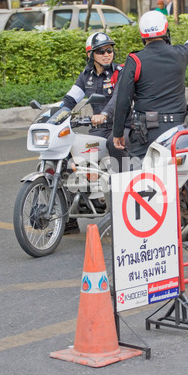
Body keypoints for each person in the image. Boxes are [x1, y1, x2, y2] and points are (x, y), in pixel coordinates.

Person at [113, 8, 188, 160]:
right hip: (178, 132)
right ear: (165, 30)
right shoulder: (180, 54)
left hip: (146, 133)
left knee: (141, 174)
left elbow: (123, 100)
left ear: (143, 35)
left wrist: (118, 133)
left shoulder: (135, 60)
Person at [62, 31, 129, 233]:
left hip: (121, 127)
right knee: (67, 153)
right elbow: (69, 100)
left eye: (109, 50)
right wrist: (53, 115)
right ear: (91, 54)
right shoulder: (86, 76)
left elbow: (118, 98)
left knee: (113, 145)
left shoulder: (121, 72)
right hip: (99, 129)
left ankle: (121, 205)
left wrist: (106, 114)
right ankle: (68, 216)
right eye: (101, 51)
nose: (107, 54)